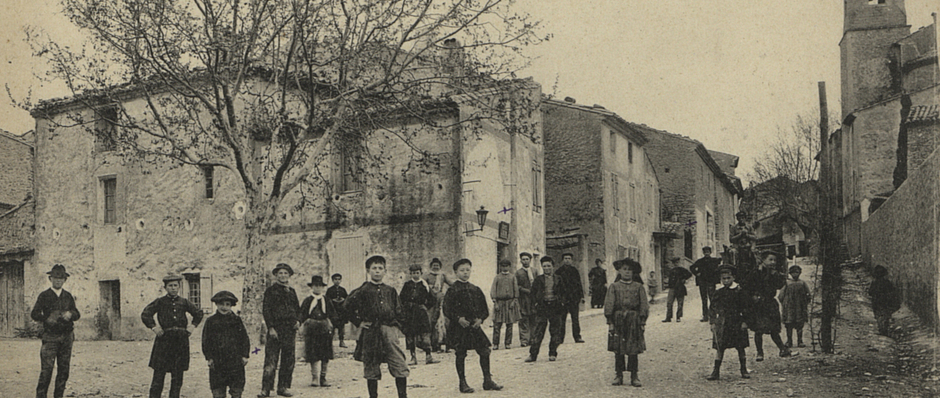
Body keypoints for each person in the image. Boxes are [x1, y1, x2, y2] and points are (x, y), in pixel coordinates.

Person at [344, 255, 409, 398]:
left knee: (398, 362)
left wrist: (396, 327)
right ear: (368, 270)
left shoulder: (390, 290)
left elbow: (399, 310)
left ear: (385, 271)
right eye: (374, 268)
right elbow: (346, 307)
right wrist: (359, 322)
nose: (377, 271)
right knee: (371, 365)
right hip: (371, 331)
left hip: (389, 330)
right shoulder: (362, 290)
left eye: (380, 268)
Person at [443, 258, 503, 393]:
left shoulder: (475, 289)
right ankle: (462, 383)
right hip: (459, 327)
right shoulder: (452, 290)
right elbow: (447, 309)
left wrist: (480, 320)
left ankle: (487, 380)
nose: (465, 273)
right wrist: (458, 319)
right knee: (460, 353)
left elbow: (484, 309)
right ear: (455, 272)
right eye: (462, 270)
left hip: (474, 326)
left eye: (467, 270)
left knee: (485, 350)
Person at [141, 274, 204, 398]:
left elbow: (198, 313)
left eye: (176, 285)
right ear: (165, 287)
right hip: (164, 341)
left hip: (180, 341)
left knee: (177, 376)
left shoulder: (184, 302)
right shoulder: (160, 302)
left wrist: (192, 326)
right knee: (159, 374)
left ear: (179, 287)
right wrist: (154, 327)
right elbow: (145, 314)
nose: (173, 288)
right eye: (170, 286)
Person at [31, 264, 80, 398]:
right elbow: (34, 314)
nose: (58, 280)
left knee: (64, 370)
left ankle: (59, 396)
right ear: (50, 279)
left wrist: (71, 314)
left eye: (61, 278)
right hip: (50, 337)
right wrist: (46, 318)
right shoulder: (44, 295)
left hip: (67, 337)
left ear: (65, 280)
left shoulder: (68, 296)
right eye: (55, 278)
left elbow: (77, 314)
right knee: (46, 370)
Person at [605, 258, 649, 388]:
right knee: (618, 348)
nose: (627, 272)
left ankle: (634, 375)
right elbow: (609, 305)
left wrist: (642, 321)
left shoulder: (638, 287)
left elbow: (644, 305)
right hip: (618, 320)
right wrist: (610, 322)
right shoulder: (614, 287)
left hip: (633, 319)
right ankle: (618, 375)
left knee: (633, 348)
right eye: (624, 269)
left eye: (630, 270)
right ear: (619, 271)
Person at [259, 263, 301, 397]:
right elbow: (266, 310)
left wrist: (298, 321)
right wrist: (270, 327)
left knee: (288, 360)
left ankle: (283, 387)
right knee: (271, 360)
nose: (283, 275)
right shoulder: (270, 291)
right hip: (275, 330)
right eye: (280, 273)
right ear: (276, 275)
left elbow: (297, 309)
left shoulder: (292, 291)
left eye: (285, 273)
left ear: (289, 275)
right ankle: (266, 389)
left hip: (289, 330)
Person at [740, 251, 791, 361]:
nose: (773, 262)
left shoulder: (774, 273)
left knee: (773, 329)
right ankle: (760, 352)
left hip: (770, 304)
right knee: (759, 330)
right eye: (770, 259)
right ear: (763, 260)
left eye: (775, 260)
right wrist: (752, 296)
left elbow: (780, 284)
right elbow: (745, 287)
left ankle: (782, 349)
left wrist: (775, 274)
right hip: (758, 305)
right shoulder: (754, 273)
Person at [706, 265, 751, 381]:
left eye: (728, 278)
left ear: (733, 278)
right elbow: (712, 308)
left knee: (740, 347)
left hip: (737, 322)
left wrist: (745, 322)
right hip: (723, 323)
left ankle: (743, 369)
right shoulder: (718, 292)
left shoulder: (739, 291)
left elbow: (746, 307)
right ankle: (716, 371)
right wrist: (712, 322)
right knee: (720, 347)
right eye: (723, 278)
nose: (726, 281)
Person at [202, 291, 251, 398]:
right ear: (216, 304)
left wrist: (245, 355)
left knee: (236, 388)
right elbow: (206, 341)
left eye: (227, 304)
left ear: (231, 306)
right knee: (218, 389)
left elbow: (244, 338)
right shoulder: (211, 321)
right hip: (217, 360)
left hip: (235, 360)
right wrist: (209, 357)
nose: (224, 307)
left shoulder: (236, 320)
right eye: (221, 304)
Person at [524, 256, 568, 363]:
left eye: (549, 266)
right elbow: (532, 294)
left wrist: (561, 303)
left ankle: (552, 353)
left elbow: (564, 293)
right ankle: (533, 355)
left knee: (555, 331)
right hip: (542, 308)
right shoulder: (538, 280)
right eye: (544, 266)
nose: (547, 268)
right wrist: (535, 305)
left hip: (555, 307)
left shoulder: (558, 279)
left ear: (553, 266)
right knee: (538, 332)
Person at [399, 264, 439, 365]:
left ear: (421, 273)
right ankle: (413, 357)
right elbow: (401, 299)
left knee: (425, 334)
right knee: (410, 335)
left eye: (417, 273)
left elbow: (432, 299)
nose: (415, 275)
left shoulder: (424, 285)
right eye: (413, 273)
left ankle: (428, 356)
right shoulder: (407, 285)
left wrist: (425, 307)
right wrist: (405, 309)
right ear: (410, 274)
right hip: (410, 313)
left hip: (421, 313)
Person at [300, 275, 335, 387]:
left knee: (325, 353)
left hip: (324, 327)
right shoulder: (308, 300)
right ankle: (314, 377)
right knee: (313, 352)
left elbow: (332, 314)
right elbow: (302, 314)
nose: (318, 288)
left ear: (323, 287)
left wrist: (332, 324)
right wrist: (302, 324)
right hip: (312, 328)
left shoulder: (326, 300)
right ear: (312, 287)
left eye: (320, 286)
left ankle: (323, 377)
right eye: (316, 286)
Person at [490, 259, 522, 350]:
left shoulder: (512, 277)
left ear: (509, 267)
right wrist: (495, 302)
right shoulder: (497, 277)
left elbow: (516, 290)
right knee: (497, 325)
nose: (504, 268)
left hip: (510, 303)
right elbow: (493, 290)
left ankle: (508, 343)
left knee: (509, 325)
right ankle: (495, 343)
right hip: (499, 303)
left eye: (506, 266)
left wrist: (514, 301)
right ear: (500, 267)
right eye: (503, 266)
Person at [778, 266, 811, 348]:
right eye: (793, 272)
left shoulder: (802, 283)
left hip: (800, 307)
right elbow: (780, 296)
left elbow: (808, 294)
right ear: (790, 273)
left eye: (797, 272)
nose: (795, 274)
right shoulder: (787, 283)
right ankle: (789, 341)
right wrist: (785, 304)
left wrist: (805, 303)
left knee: (800, 324)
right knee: (789, 324)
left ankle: (800, 341)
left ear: (800, 273)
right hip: (789, 308)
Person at [422, 258, 450, 353]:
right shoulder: (427, 276)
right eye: (434, 265)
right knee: (432, 322)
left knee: (443, 322)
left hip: (440, 300)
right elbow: (422, 286)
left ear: (440, 267)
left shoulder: (442, 276)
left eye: (437, 266)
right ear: (431, 266)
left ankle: (446, 344)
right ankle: (433, 345)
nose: (435, 267)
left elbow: (451, 283)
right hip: (431, 302)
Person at [556, 253, 585, 343]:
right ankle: (560, 338)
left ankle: (577, 337)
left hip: (573, 299)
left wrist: (581, 296)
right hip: (563, 299)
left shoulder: (574, 271)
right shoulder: (559, 272)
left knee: (575, 319)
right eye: (565, 258)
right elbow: (556, 286)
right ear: (563, 260)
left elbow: (579, 284)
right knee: (562, 320)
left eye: (569, 258)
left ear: (571, 260)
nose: (567, 260)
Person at [690, 246, 721, 322]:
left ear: (710, 253)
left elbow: (721, 265)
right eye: (705, 252)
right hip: (702, 282)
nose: (706, 253)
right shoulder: (700, 261)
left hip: (711, 282)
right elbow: (692, 267)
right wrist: (697, 273)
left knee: (712, 299)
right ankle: (705, 316)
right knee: (704, 299)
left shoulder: (714, 261)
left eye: (708, 252)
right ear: (703, 253)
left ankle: (713, 316)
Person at [868, 265, 901, 336]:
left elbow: (870, 292)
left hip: (876, 302)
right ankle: (884, 329)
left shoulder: (874, 283)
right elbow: (893, 291)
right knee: (885, 315)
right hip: (886, 302)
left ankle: (881, 329)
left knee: (879, 316)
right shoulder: (887, 283)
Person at [514, 252, 537, 347]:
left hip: (533, 299)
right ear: (520, 261)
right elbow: (516, 286)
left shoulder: (534, 271)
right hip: (523, 298)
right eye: (523, 259)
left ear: (530, 260)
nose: (525, 261)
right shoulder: (518, 273)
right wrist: (525, 290)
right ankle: (524, 340)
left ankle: (533, 339)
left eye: (527, 259)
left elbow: (538, 282)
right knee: (523, 320)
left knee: (534, 319)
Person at [730, 211, 757, 276]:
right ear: (737, 219)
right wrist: (740, 235)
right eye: (739, 218)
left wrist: (747, 235)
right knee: (733, 252)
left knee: (755, 254)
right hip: (738, 247)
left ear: (745, 218)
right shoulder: (734, 228)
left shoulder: (749, 227)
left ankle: (756, 268)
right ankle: (734, 268)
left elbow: (755, 237)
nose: (741, 219)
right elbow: (731, 239)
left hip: (748, 246)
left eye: (743, 217)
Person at [325, 273, 348, 348]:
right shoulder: (330, 290)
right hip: (333, 311)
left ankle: (341, 341)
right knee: (332, 328)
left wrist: (343, 300)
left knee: (341, 328)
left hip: (341, 312)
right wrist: (333, 300)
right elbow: (327, 300)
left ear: (341, 280)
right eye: (335, 279)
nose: (337, 281)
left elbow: (347, 299)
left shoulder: (343, 290)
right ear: (332, 280)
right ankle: (329, 343)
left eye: (339, 279)